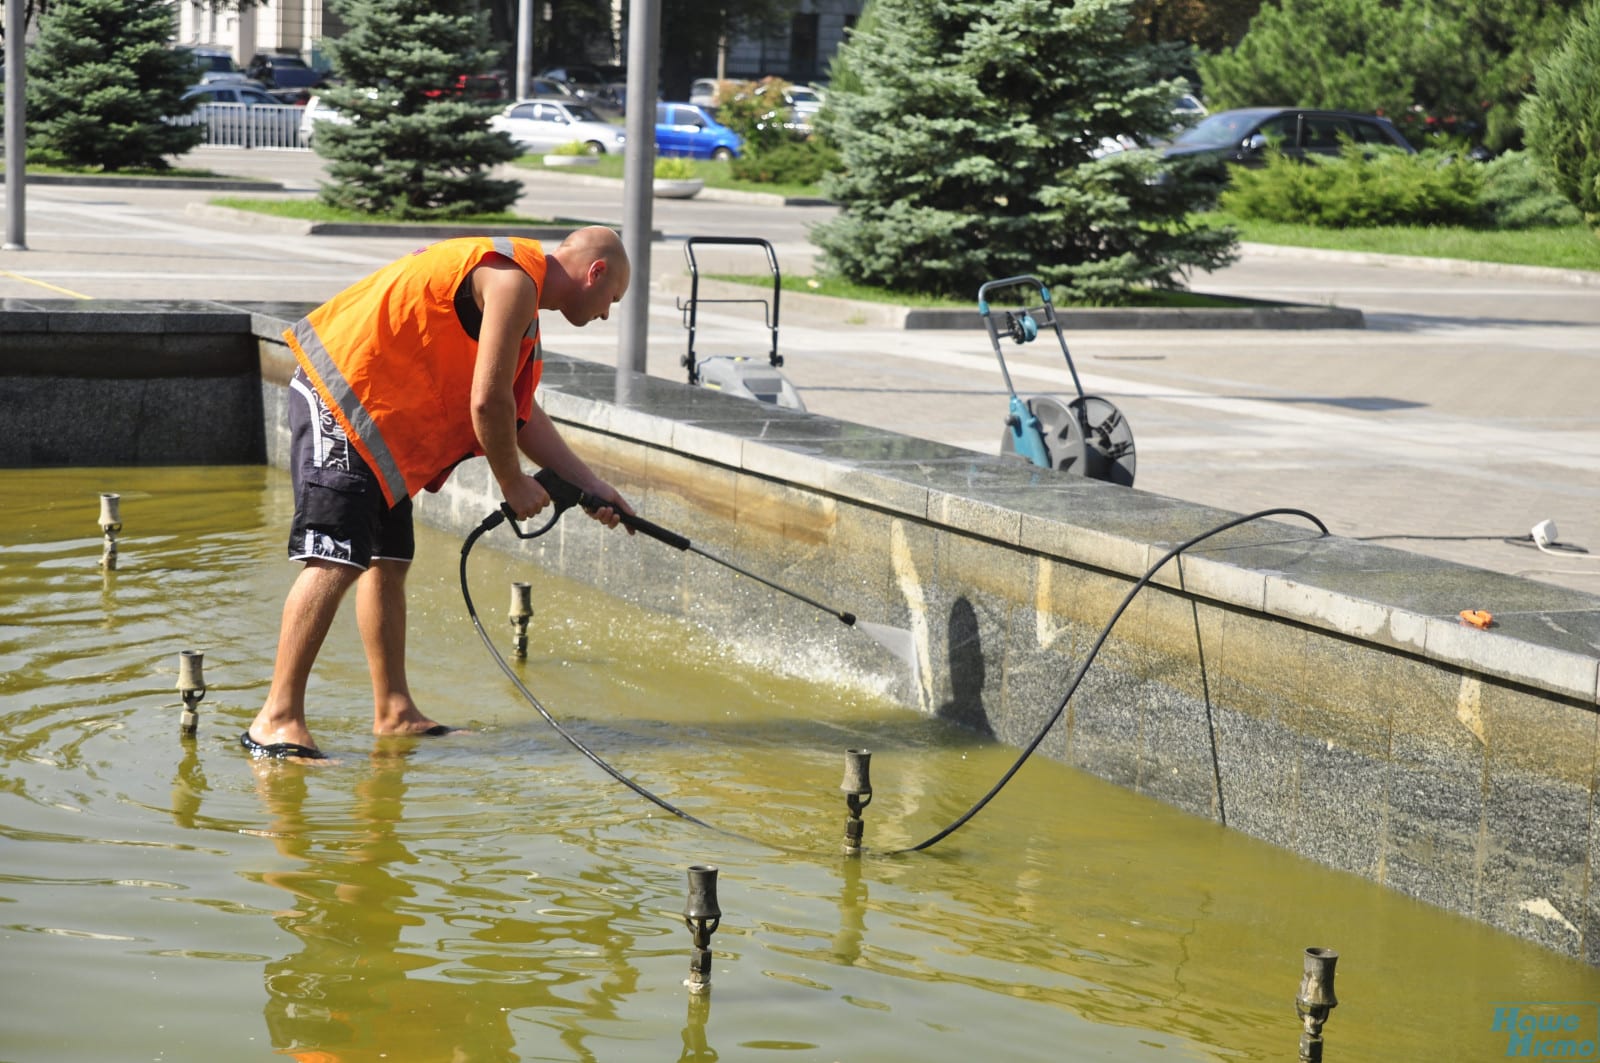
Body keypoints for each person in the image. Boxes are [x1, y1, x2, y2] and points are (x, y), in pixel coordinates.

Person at [242, 226, 634, 761]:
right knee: (334, 558)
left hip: (382, 422)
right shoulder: (513, 278)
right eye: (613, 299)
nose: (608, 314)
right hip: (342, 396)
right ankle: (275, 720)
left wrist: (593, 487)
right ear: (597, 273)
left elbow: (518, 415)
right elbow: (488, 403)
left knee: (388, 560)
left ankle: (395, 712)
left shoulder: (523, 300)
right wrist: (511, 482)